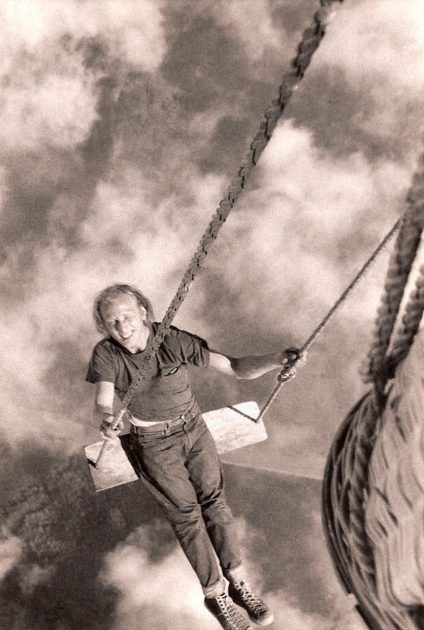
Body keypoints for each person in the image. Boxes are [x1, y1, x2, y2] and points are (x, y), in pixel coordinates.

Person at [86, 283, 303, 630]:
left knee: (215, 503)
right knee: (186, 516)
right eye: (112, 321)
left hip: (193, 427)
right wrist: (108, 417)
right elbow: (103, 397)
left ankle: (239, 583)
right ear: (104, 326)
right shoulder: (107, 354)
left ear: (143, 312)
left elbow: (234, 367)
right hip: (153, 443)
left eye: (127, 315)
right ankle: (216, 595)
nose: (122, 326)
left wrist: (277, 359)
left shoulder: (171, 339)